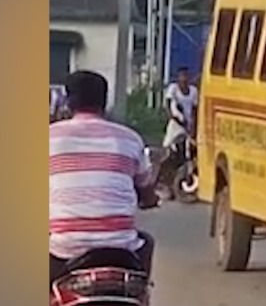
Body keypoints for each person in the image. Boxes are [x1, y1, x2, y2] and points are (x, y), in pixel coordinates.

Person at [49, 70, 157, 284]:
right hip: (120, 248)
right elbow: (146, 188)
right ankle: (139, 295)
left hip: (65, 249)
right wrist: (150, 199)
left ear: (68, 102)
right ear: (104, 101)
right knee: (146, 241)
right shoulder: (129, 139)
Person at [164, 67, 199, 139]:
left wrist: (193, 125)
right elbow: (168, 104)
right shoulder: (173, 88)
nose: (184, 78)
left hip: (188, 123)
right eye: (182, 76)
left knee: (187, 144)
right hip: (176, 121)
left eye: (186, 75)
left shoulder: (194, 91)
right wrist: (171, 117)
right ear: (178, 78)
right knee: (170, 142)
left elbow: (194, 109)